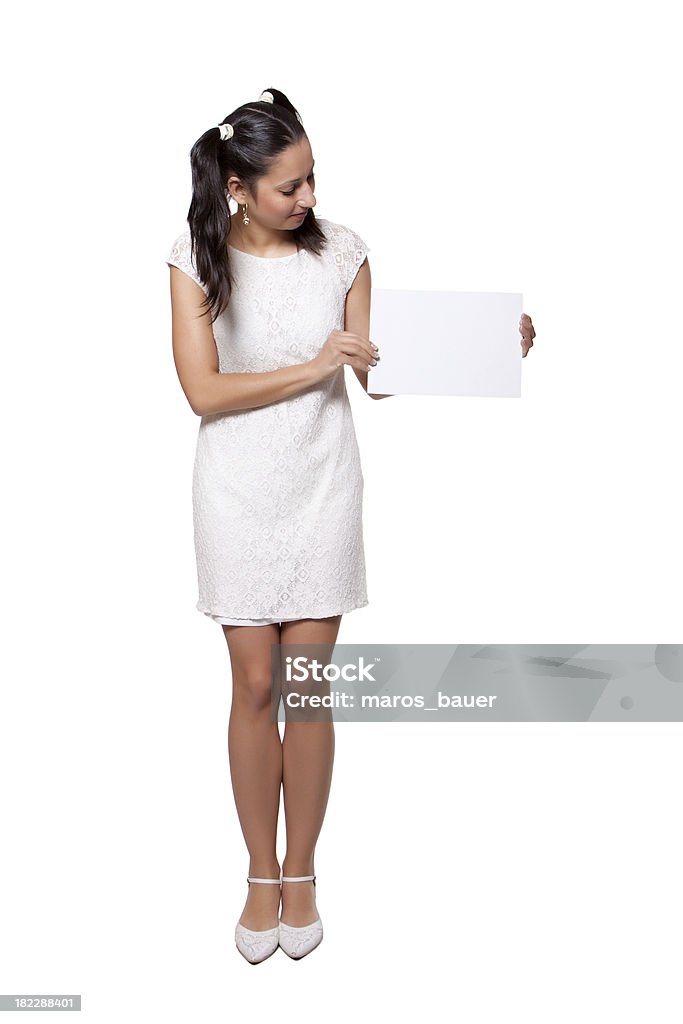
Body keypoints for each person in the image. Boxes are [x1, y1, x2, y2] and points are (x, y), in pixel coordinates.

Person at [166, 87, 537, 965]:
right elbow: (202, 392)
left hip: (323, 486)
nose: (308, 201)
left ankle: (303, 870)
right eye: (289, 187)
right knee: (253, 687)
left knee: (307, 689)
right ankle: (260, 874)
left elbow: (376, 371)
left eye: (312, 179)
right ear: (236, 185)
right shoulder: (193, 256)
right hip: (237, 494)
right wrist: (309, 366)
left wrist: (490, 343)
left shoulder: (345, 252)